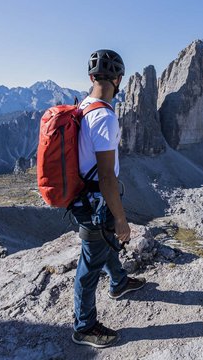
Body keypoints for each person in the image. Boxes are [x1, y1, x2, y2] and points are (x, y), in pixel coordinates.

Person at [71, 49, 145, 348]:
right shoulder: (104, 117)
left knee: (105, 243)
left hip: (83, 197)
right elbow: (106, 177)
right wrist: (121, 218)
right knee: (89, 265)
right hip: (95, 202)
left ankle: (119, 282)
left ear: (91, 78)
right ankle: (84, 326)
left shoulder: (84, 106)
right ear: (118, 79)